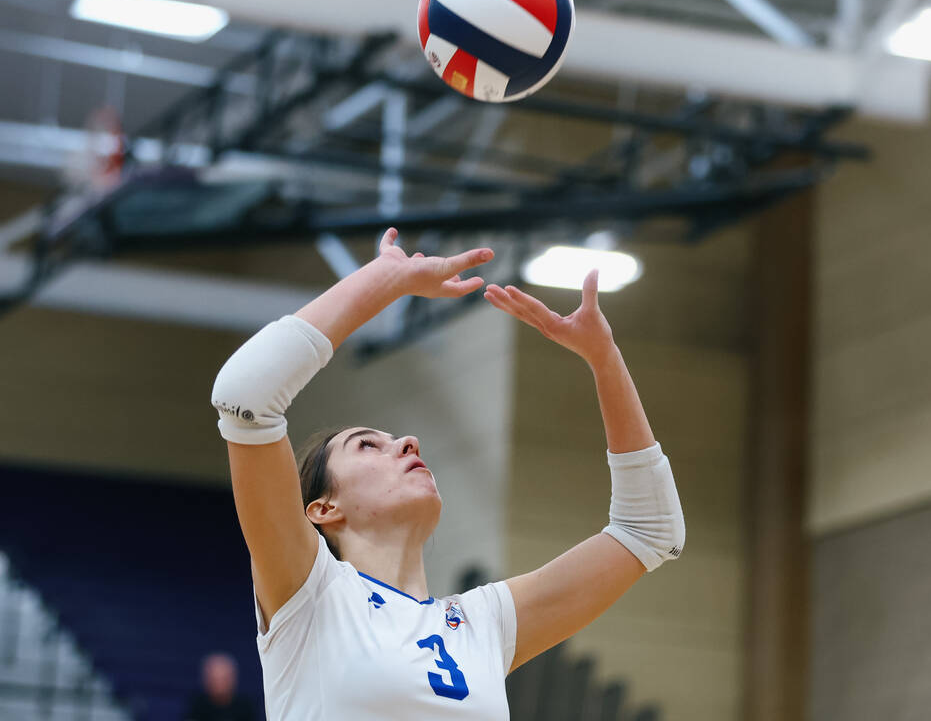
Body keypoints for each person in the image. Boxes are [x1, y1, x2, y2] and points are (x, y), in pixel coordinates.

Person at [209, 228, 685, 720]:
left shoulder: (483, 624)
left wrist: (605, 360)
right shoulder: (310, 592)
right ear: (323, 510)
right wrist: (385, 279)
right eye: (368, 445)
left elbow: (650, 531)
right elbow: (246, 395)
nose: (408, 442)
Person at [182, 652, 257, 721]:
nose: (219, 684)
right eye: (214, 679)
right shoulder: (197, 706)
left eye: (223, 679)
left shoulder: (245, 707)